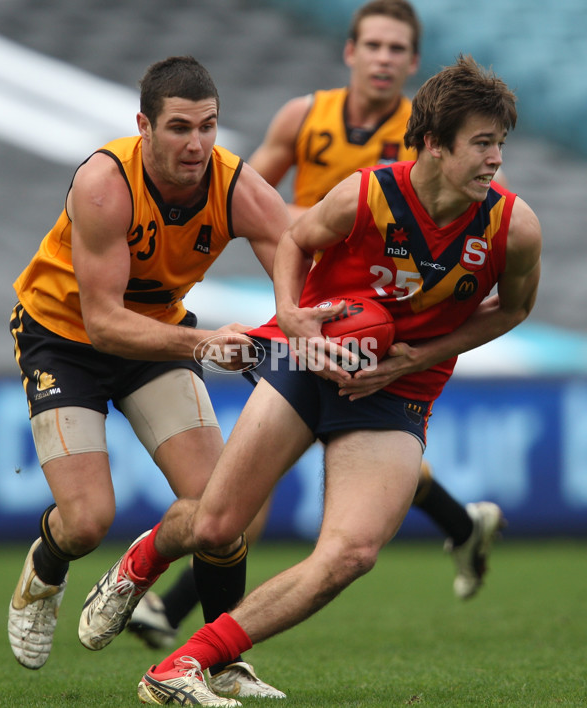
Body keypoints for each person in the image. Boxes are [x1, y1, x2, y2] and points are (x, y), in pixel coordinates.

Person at [79, 54, 542, 705]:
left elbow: (515, 308)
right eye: (482, 144)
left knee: (351, 554)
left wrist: (418, 356)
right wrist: (294, 320)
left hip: (398, 393)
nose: (496, 160)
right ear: (434, 144)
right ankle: (142, 560)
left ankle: (181, 664)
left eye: (500, 143)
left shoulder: (512, 228)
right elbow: (294, 242)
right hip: (307, 359)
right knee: (217, 529)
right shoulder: (368, 193)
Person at [128, 0, 504, 651]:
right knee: (280, 463)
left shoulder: (433, 136)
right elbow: (243, 196)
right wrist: (315, 222)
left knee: (342, 448)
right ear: (349, 52)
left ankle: (181, 616)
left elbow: (473, 220)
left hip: (384, 317)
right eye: (374, 45)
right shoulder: (306, 117)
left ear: (413, 63)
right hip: (306, 305)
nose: (384, 59)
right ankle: (461, 525)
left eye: (397, 50)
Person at [7, 55, 290, 702]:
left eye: (209, 126)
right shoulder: (106, 184)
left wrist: (296, 334)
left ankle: (218, 659)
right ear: (144, 126)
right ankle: (46, 572)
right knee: (85, 521)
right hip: (64, 340)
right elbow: (103, 323)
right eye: (180, 128)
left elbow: (292, 264)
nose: (197, 144)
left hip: (156, 338)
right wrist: (205, 343)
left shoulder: (235, 184)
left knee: (225, 513)